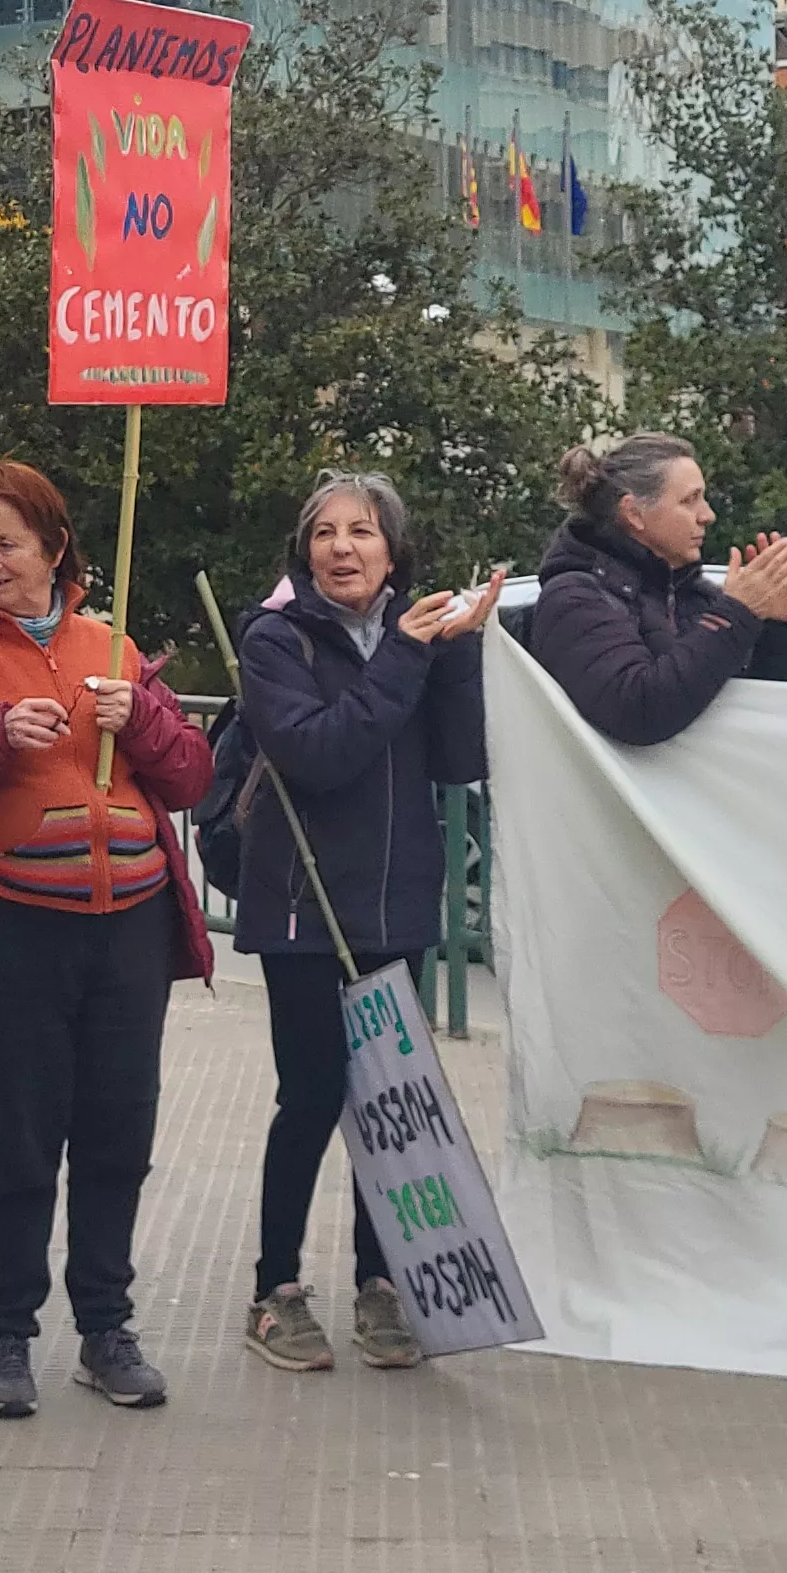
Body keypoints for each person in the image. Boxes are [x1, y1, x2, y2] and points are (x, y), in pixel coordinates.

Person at [0, 463, 215, 1418]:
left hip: (130, 930)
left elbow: (189, 778)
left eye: (8, 545)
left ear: (55, 549)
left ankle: (106, 1328)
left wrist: (142, 715)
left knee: (120, 1132)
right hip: (7, 930)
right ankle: (7, 1334)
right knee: (22, 1139)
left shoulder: (109, 644)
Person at [223, 475, 503, 1375]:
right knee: (311, 1099)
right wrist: (410, 657)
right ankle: (276, 1290)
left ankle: (383, 1284)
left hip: (396, 909)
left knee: (390, 1101)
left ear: (395, 550)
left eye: (364, 532)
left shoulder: (415, 638)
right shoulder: (276, 639)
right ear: (304, 551)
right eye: (325, 533)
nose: (343, 548)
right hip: (302, 911)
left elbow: (462, 758)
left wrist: (462, 647)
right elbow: (322, 754)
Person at [526, 432, 787, 744]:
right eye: (689, 500)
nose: (707, 515)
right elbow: (639, 712)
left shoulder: (698, 596)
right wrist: (734, 614)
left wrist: (781, 627)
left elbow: (762, 722)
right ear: (634, 513)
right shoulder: (574, 598)